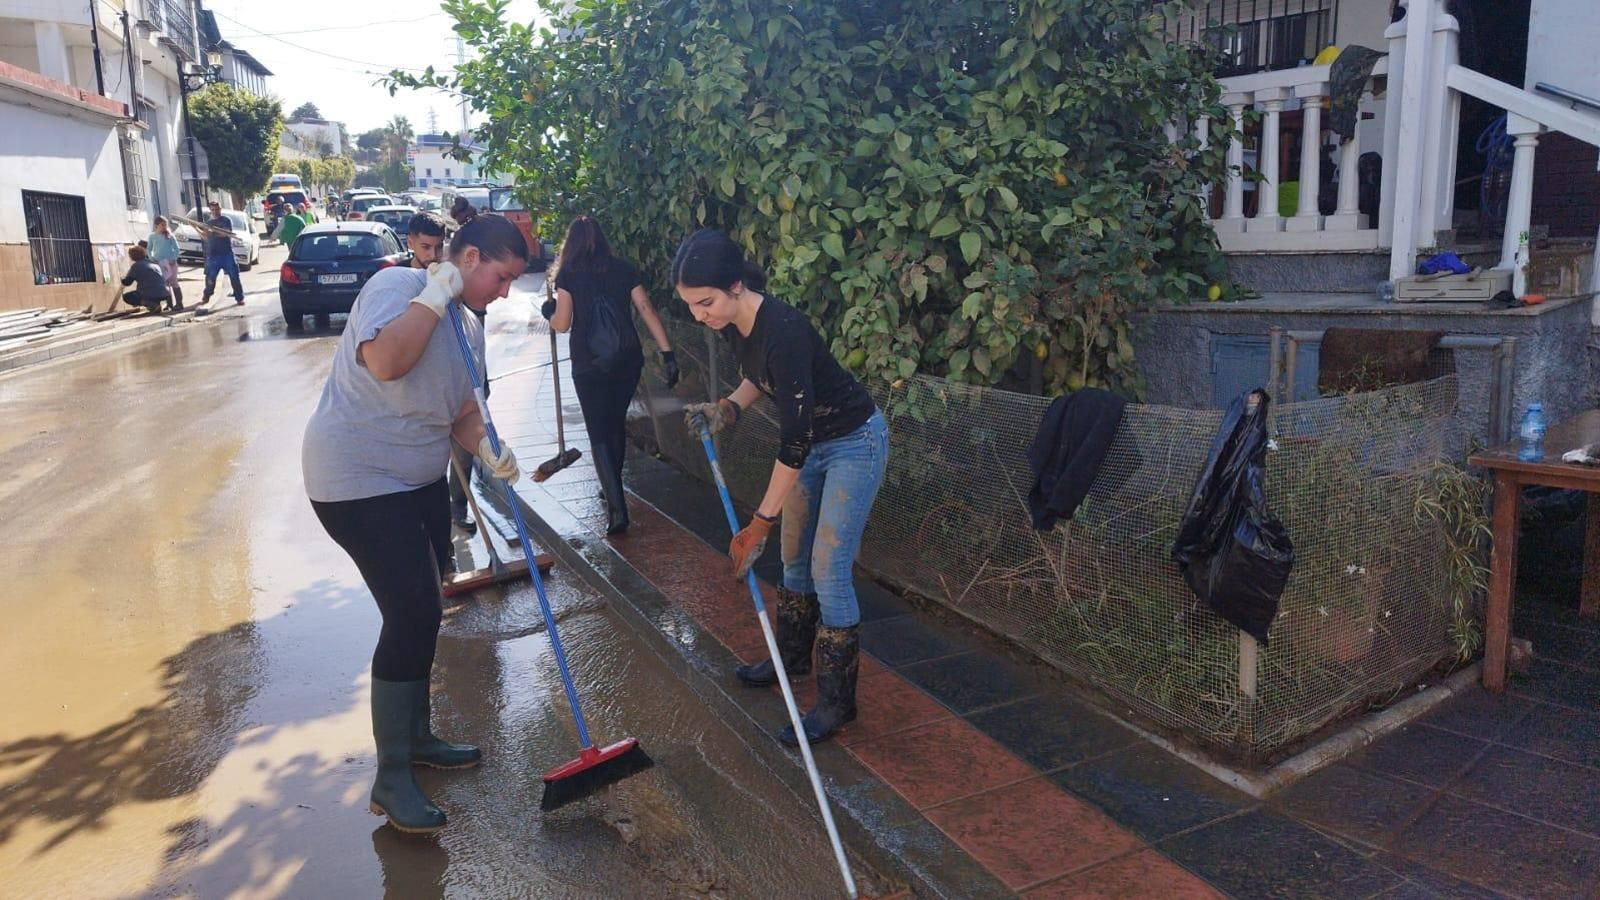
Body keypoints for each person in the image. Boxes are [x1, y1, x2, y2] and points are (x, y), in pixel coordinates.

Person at [301, 215, 530, 833]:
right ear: (472, 256)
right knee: (411, 613)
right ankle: (391, 776)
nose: (506, 291)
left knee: (427, 603)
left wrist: (486, 449)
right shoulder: (398, 289)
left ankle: (418, 736)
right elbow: (386, 363)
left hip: (418, 479)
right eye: (502, 277)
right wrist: (436, 294)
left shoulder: (468, 330)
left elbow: (460, 413)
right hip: (357, 480)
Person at [674, 229, 887, 745]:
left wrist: (759, 522)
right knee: (794, 559)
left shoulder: (786, 330)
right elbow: (758, 377)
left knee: (826, 569)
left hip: (852, 443)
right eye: (692, 307)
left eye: (706, 303)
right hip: (810, 446)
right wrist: (728, 406)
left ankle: (838, 703)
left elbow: (795, 439)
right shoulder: (734, 322)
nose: (701, 316)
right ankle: (792, 660)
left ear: (736, 286)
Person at [545, 216, 678, 535]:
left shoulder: (568, 274)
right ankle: (611, 487)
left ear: (571, 243)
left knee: (598, 431)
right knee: (615, 422)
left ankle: (617, 510)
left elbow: (562, 324)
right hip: (627, 358)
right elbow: (646, 308)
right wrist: (668, 353)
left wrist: (548, 313)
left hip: (589, 363)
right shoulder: (623, 268)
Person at [405, 210, 482, 538]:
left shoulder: (450, 281)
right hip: (418, 400)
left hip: (458, 385)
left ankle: (457, 509)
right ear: (410, 243)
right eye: (425, 248)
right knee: (428, 469)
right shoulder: (398, 282)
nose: (432, 256)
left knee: (465, 453)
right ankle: (441, 545)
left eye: (438, 247)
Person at [199, 201, 244, 306]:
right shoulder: (208, 223)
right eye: (213, 210)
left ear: (220, 209)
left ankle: (239, 298)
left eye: (217, 209)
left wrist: (213, 232)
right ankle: (206, 296)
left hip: (226, 253)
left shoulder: (226, 220)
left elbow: (226, 234)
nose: (215, 211)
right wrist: (195, 227)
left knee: (234, 276)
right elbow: (206, 237)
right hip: (213, 255)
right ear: (210, 210)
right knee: (210, 277)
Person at [120, 245, 172, 314]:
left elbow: (127, 282)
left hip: (149, 293)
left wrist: (121, 278)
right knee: (150, 289)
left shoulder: (136, 266)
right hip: (164, 292)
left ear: (132, 256)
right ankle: (155, 305)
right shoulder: (153, 264)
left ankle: (153, 305)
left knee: (127, 297)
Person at [146, 217, 183, 311]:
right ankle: (169, 303)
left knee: (173, 282)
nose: (164, 227)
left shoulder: (170, 236)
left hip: (170, 262)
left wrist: (174, 258)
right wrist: (152, 258)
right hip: (159, 262)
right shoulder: (152, 237)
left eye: (165, 225)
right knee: (165, 284)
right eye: (162, 225)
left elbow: (177, 249)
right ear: (156, 226)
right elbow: (149, 249)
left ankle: (179, 303)